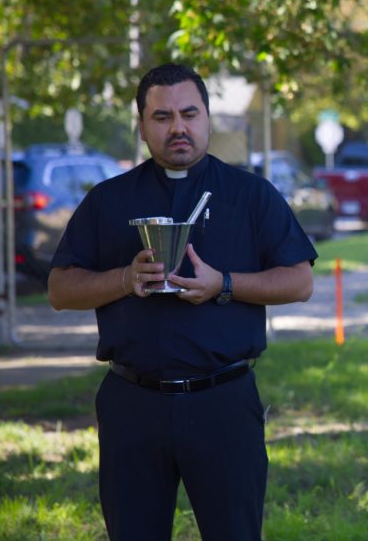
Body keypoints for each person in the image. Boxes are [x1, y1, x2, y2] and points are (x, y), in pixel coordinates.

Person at [47, 63, 316, 541]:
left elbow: (299, 281)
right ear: (143, 125)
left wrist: (226, 284)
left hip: (224, 401)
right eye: (162, 117)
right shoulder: (109, 200)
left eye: (189, 114)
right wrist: (125, 279)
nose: (178, 128)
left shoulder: (251, 195)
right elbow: (60, 289)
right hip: (133, 402)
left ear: (208, 118)